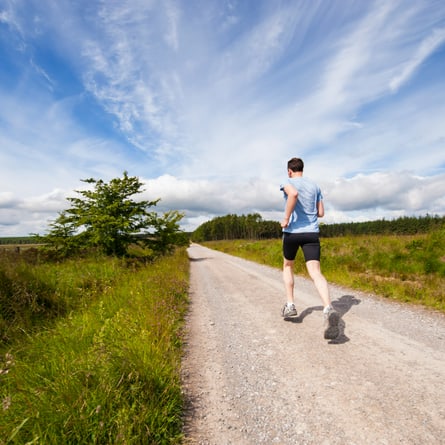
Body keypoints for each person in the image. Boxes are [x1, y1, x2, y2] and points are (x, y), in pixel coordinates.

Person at [280, 157, 340, 340]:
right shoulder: (315, 186)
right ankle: (328, 308)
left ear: (290, 171)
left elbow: (293, 194)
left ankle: (290, 305)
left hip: (292, 233)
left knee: (288, 265)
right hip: (311, 233)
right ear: (302, 169)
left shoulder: (287, 182)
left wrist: (286, 218)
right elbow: (320, 213)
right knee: (315, 272)